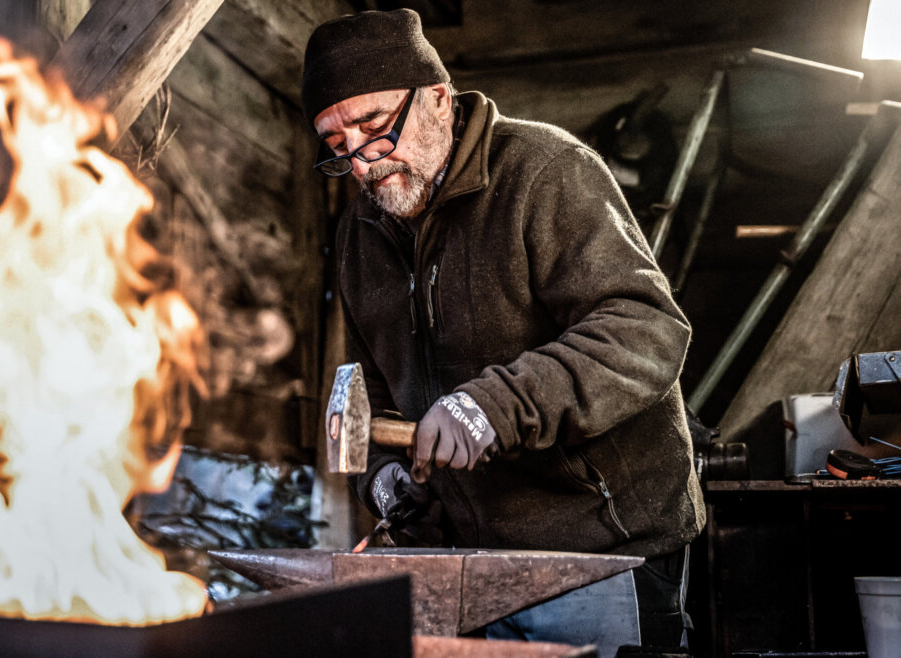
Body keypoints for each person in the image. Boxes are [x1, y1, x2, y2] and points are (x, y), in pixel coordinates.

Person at [302, 9, 707, 655]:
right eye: (336, 144)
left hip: (596, 551)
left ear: (437, 96)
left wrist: (491, 407)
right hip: (461, 562)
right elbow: (368, 392)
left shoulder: (545, 171)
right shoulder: (362, 232)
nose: (361, 162)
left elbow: (644, 330)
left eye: (375, 127)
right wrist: (384, 478)